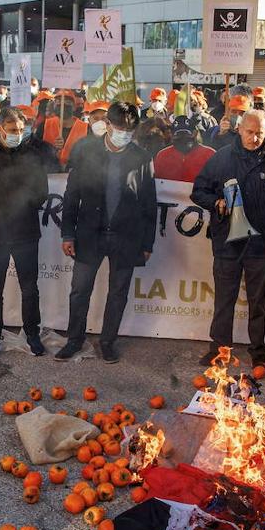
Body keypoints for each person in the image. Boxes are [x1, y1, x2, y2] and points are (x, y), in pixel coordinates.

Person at [56, 101, 156, 364]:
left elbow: (149, 204)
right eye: (120, 128)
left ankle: (108, 342)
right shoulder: (86, 150)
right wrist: (68, 233)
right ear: (108, 125)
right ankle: (74, 340)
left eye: (130, 131)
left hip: (126, 237)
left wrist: (147, 243)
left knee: (118, 292)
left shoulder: (141, 157)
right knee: (80, 290)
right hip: (89, 234)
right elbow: (71, 195)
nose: (125, 133)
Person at [191, 109, 265, 368]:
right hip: (227, 243)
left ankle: (258, 352)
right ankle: (219, 350)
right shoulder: (221, 158)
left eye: (260, 133)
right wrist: (216, 202)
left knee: (258, 302)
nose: (255, 137)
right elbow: (198, 191)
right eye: (250, 131)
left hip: (261, 244)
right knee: (224, 299)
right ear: (239, 129)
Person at [0, 107, 50, 358]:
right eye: (12, 130)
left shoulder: (34, 156)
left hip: (26, 233)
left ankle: (32, 334)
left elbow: (42, 193)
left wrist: (21, 209)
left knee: (30, 287)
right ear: (0, 129)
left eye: (21, 130)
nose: (17, 134)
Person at [153, 117, 215, 182]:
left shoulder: (209, 154)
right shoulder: (163, 155)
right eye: (178, 134)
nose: (183, 137)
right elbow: (156, 181)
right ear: (172, 135)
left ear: (195, 133)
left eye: (187, 133)